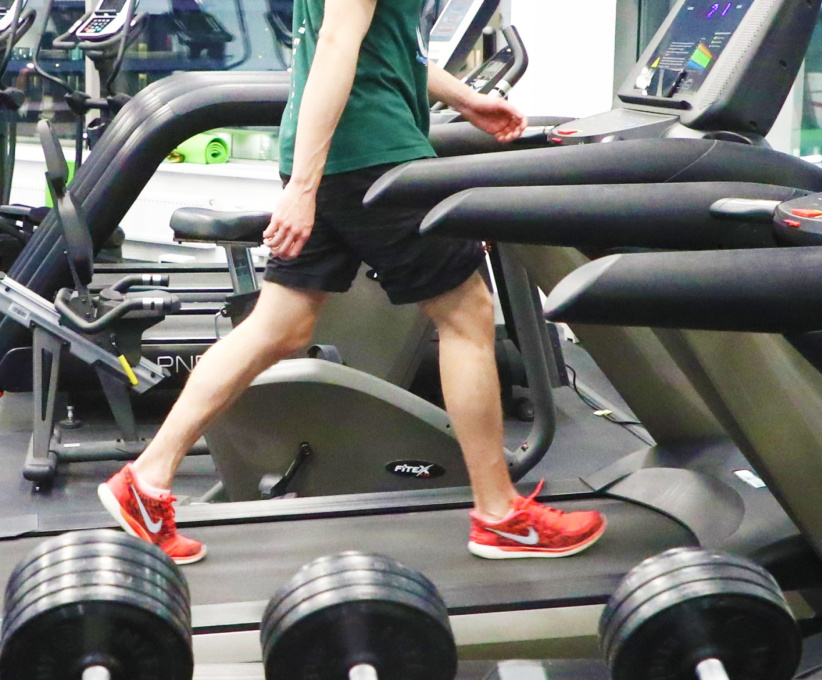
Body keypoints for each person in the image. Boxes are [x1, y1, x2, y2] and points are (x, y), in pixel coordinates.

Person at [98, 0, 607, 565]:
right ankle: (499, 513)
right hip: (371, 154)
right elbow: (337, 46)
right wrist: (303, 189)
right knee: (467, 314)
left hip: (341, 153)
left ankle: (146, 479)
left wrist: (464, 98)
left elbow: (381, 45)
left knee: (281, 326)